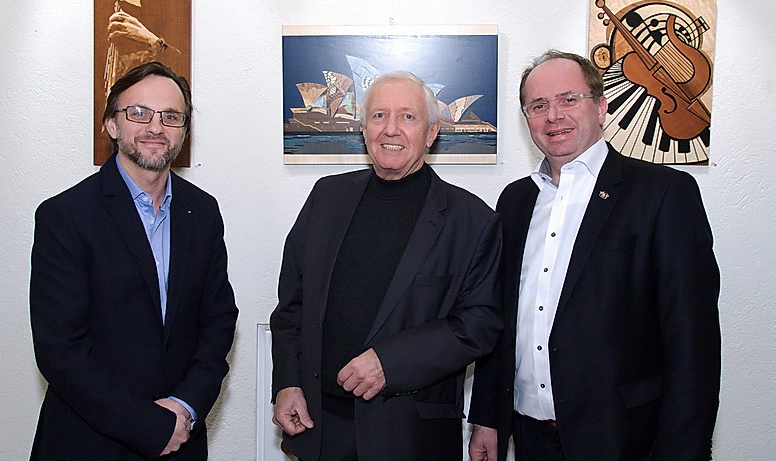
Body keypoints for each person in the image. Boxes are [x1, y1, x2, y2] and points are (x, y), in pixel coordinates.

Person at [468, 50, 721, 461]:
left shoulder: (662, 194)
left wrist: (684, 450)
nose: (554, 116)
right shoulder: (515, 201)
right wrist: (487, 417)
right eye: (538, 105)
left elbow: (693, 341)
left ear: (600, 106)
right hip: (529, 437)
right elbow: (501, 319)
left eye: (569, 99)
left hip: (626, 438)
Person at [270, 71, 503, 461]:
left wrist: (389, 363)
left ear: (431, 133)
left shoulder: (472, 221)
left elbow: (478, 325)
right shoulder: (326, 197)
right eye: (379, 116)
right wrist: (287, 383)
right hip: (319, 428)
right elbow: (292, 304)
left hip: (409, 437)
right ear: (363, 129)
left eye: (407, 117)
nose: (391, 129)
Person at [30, 62, 238, 460]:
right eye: (139, 113)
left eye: (171, 116)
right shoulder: (66, 216)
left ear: (184, 130)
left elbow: (218, 321)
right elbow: (60, 350)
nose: (156, 127)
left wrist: (185, 406)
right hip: (89, 443)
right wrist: (150, 426)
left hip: (181, 437)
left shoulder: (202, 211)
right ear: (111, 124)